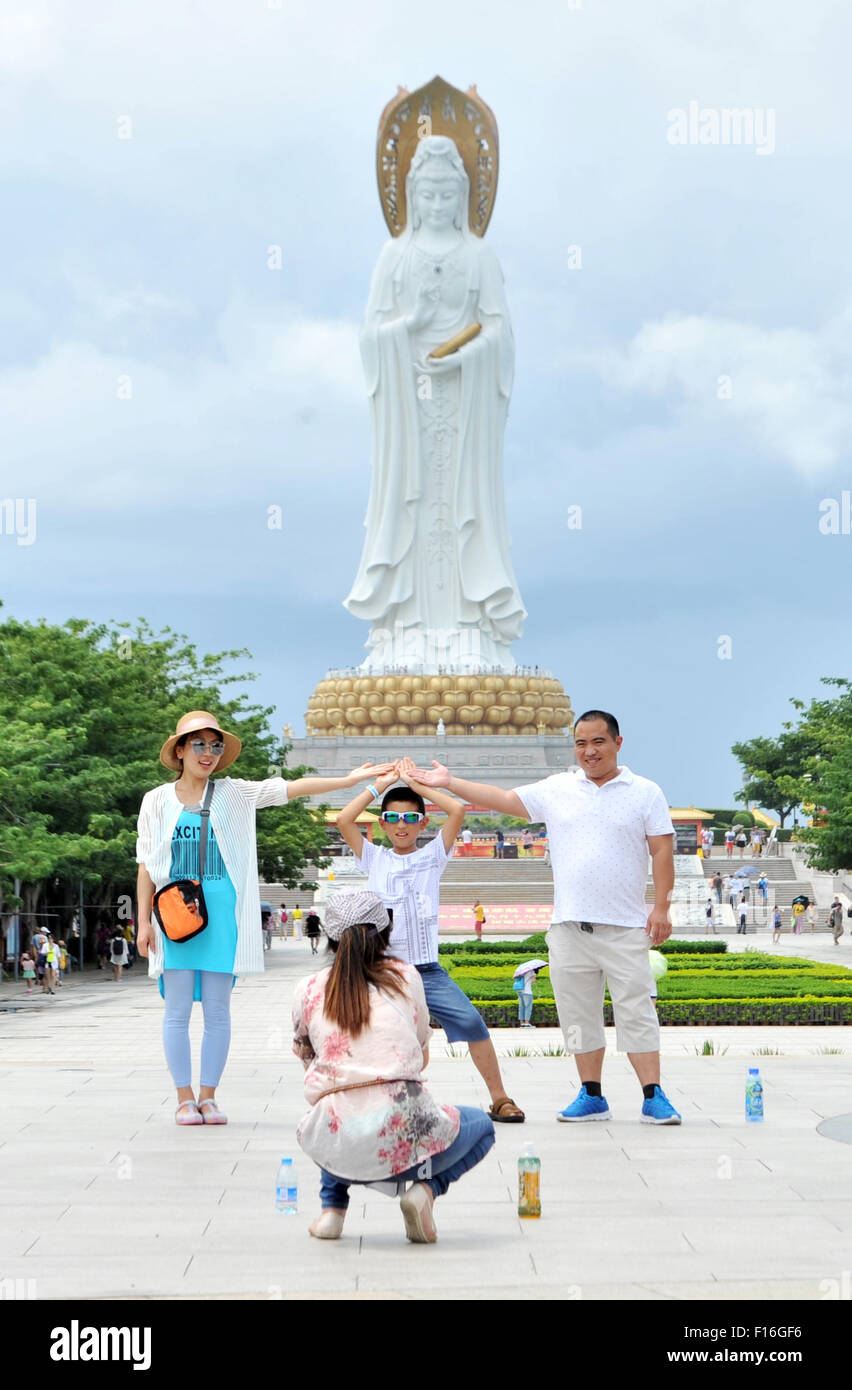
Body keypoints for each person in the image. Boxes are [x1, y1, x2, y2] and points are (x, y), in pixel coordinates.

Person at [412, 709, 682, 1125]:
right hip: (569, 926)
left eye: (598, 742)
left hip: (625, 924)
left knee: (636, 1010)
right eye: (581, 743)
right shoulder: (558, 788)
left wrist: (661, 906)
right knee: (577, 1014)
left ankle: (653, 1095)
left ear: (617, 743)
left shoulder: (645, 792)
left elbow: (662, 850)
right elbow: (503, 799)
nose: (589, 751)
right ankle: (591, 1094)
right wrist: (449, 783)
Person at [136, 707, 395, 1127]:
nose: (208, 754)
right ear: (179, 749)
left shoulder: (233, 793)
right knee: (177, 1010)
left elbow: (291, 788)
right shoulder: (156, 801)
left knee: (218, 1010)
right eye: (198, 744)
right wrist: (143, 922)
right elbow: (146, 863)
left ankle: (209, 1097)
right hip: (174, 914)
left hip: (222, 915)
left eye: (215, 746)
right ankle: (183, 1098)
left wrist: (351, 781)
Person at [292, 888, 495, 1244]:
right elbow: (420, 1049)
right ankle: (425, 1191)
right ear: (386, 932)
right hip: (402, 1138)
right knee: (482, 1127)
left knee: (334, 1102)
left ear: (330, 936)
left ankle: (332, 1211)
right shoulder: (406, 976)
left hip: (337, 1142)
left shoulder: (307, 989)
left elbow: (308, 1060)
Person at [336, 758, 525, 1123]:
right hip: (385, 971)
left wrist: (414, 784)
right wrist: (382, 785)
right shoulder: (373, 858)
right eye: (392, 818)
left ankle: (500, 1098)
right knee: (389, 1040)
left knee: (472, 1025)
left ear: (423, 822)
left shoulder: (433, 856)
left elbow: (456, 808)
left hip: (427, 971)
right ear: (382, 824)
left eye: (410, 818)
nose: (401, 826)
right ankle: (385, 1106)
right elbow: (345, 819)